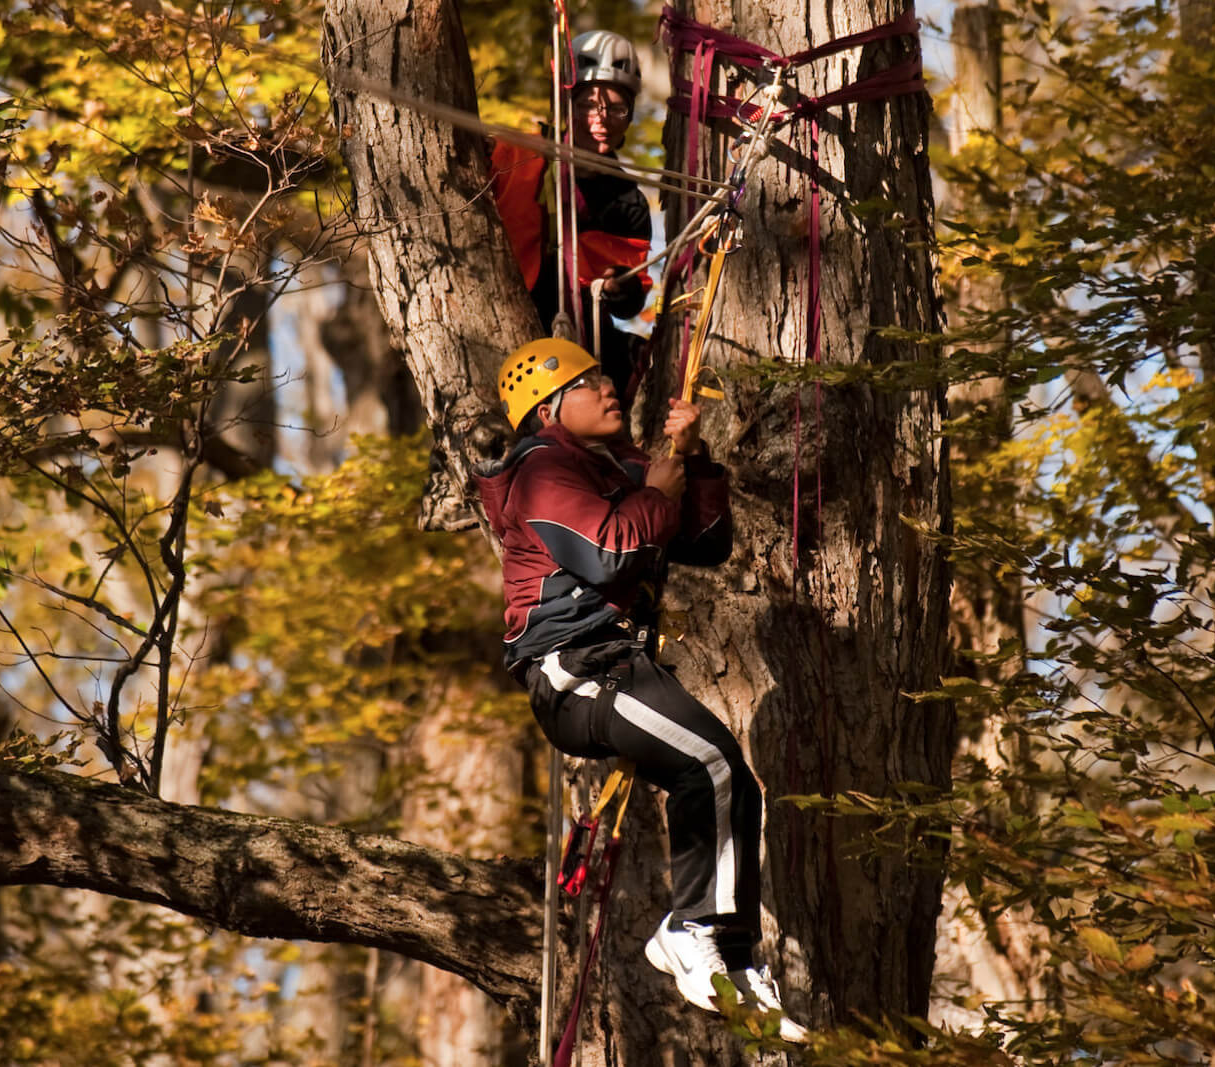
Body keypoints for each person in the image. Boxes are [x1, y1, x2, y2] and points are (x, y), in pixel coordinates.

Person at [476, 338, 807, 1042]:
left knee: (727, 779)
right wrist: (659, 484)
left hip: (615, 663)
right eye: (586, 381)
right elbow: (610, 553)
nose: (607, 387)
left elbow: (705, 541)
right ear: (549, 408)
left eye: (602, 375)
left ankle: (732, 955)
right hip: (573, 670)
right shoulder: (541, 470)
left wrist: (695, 460)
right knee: (714, 766)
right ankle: (691, 929)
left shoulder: (610, 467)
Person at [489, 30, 652, 404]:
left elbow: (629, 300)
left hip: (579, 341)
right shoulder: (518, 155)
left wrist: (619, 287)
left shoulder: (626, 201)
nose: (603, 119)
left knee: (644, 362)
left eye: (617, 108)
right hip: (510, 317)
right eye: (589, 105)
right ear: (566, 104)